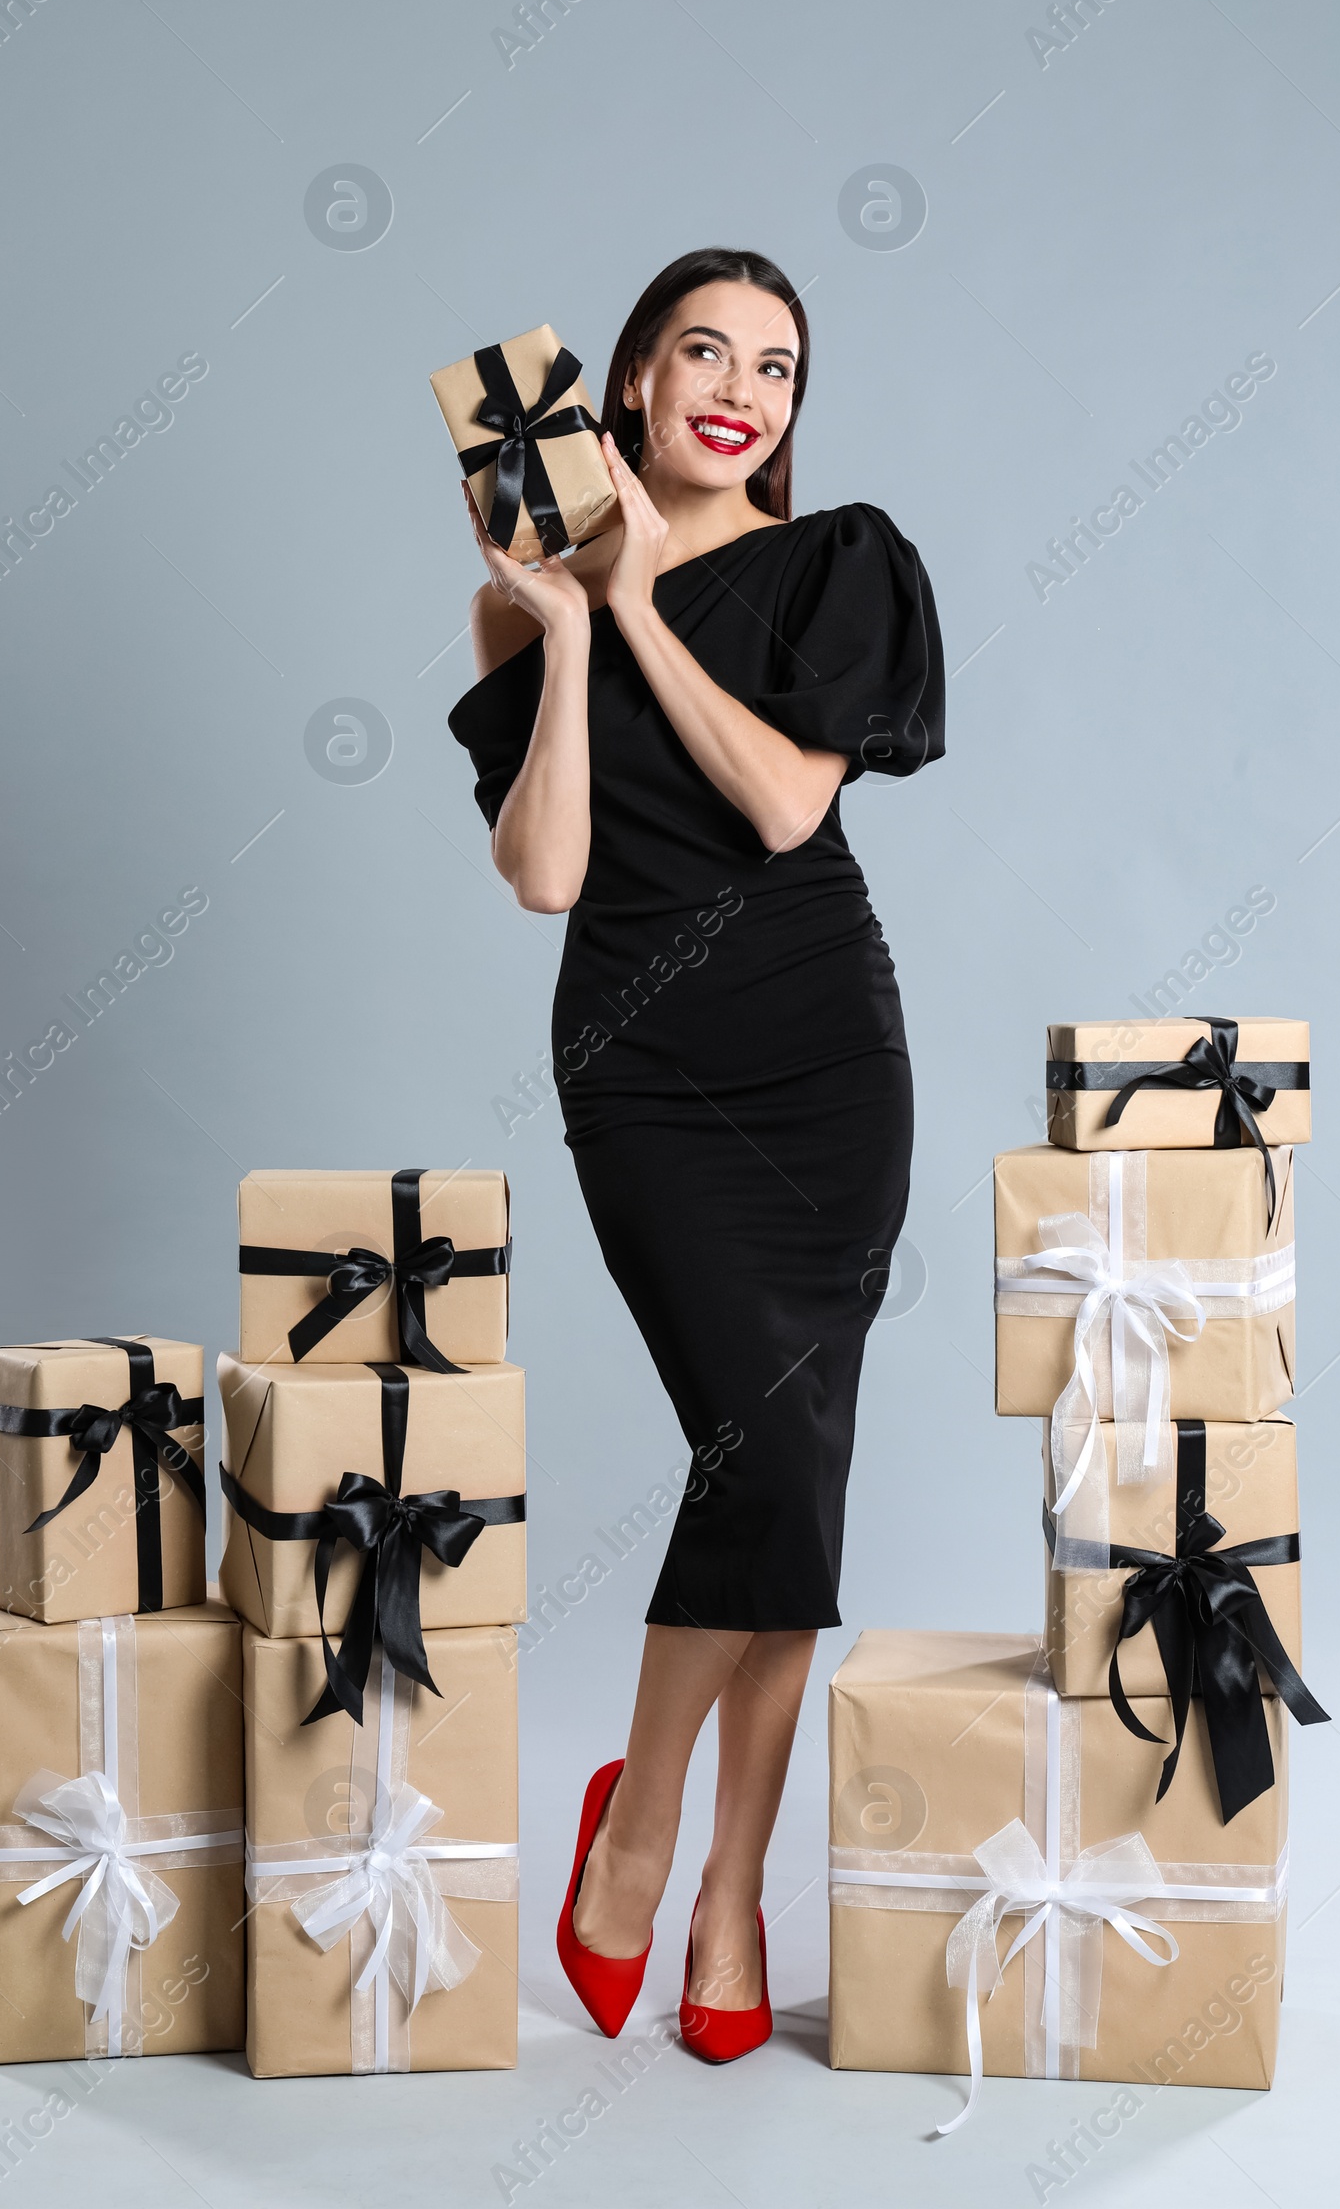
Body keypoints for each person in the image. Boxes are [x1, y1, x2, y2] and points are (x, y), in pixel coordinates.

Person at [448, 247, 945, 2062]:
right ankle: (645, 1833)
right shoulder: (523, 610)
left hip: (825, 1053)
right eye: (703, 353)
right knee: (758, 1447)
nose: (744, 389)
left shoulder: (842, 561)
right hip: (646, 1070)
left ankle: (711, 1876)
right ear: (631, 387)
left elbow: (786, 801)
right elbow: (549, 875)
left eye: (780, 367)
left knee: (791, 1468)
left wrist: (646, 602)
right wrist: (574, 625)